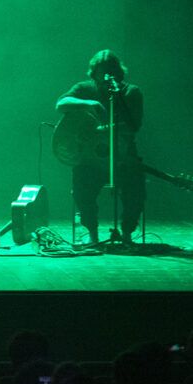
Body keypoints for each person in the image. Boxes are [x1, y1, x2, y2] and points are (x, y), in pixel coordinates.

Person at [56, 49, 144, 245]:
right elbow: (61, 104)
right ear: (93, 72)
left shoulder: (131, 92)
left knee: (135, 189)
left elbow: (134, 125)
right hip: (91, 160)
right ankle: (92, 234)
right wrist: (89, 103)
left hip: (123, 156)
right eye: (101, 72)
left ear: (118, 73)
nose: (105, 77)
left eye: (110, 72)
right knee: (81, 186)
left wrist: (100, 130)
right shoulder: (85, 89)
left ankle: (127, 233)